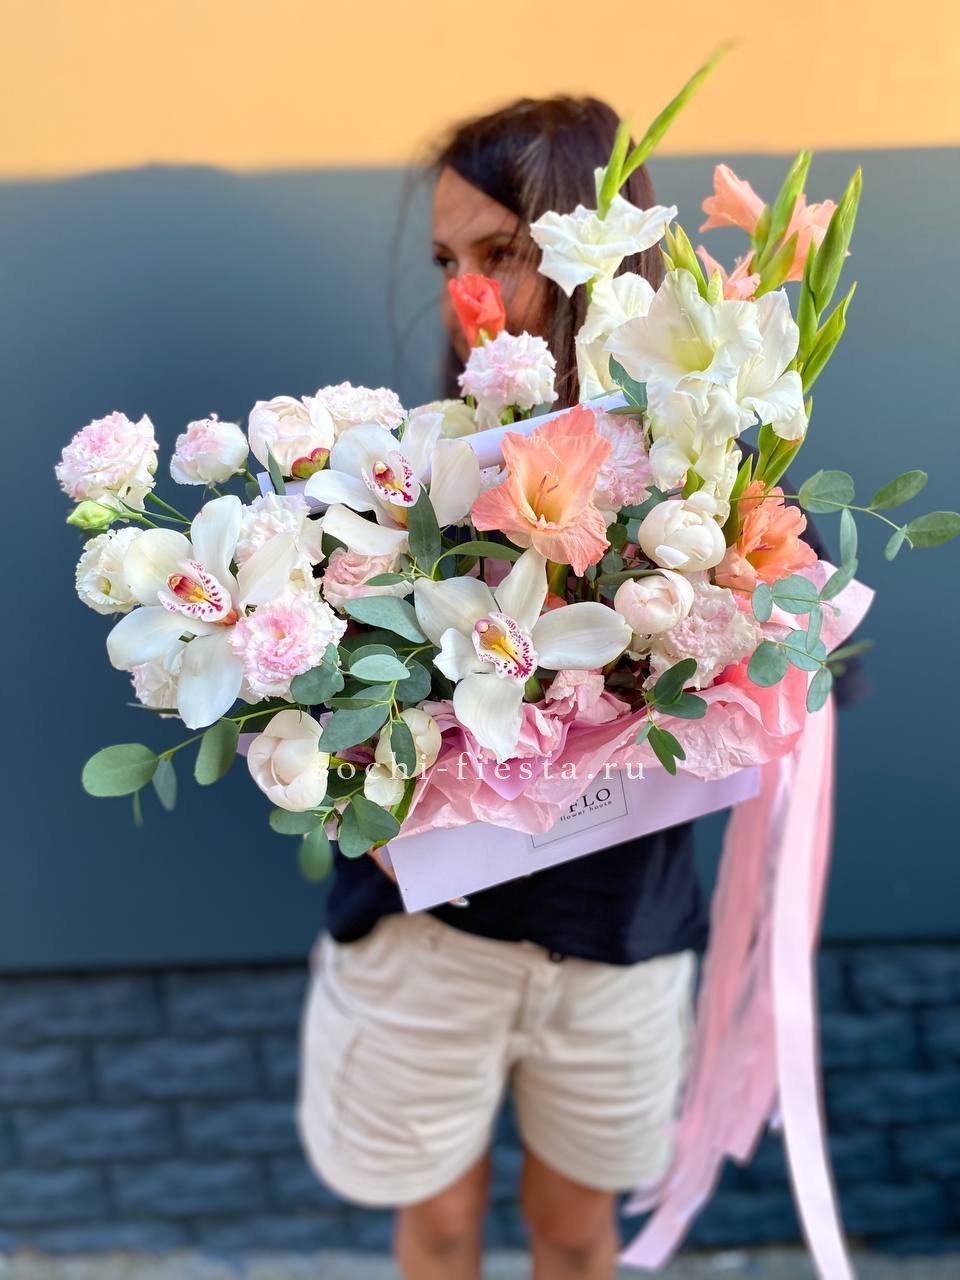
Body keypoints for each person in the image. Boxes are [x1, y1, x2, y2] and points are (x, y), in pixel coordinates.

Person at [297, 96, 860, 1280]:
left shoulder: (709, 475)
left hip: (619, 946)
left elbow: (814, 686)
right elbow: (324, 718)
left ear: (599, 253)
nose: (468, 292)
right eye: (446, 259)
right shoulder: (408, 478)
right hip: (428, 941)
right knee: (436, 1228)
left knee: (576, 1234)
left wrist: (723, 623)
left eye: (501, 250)